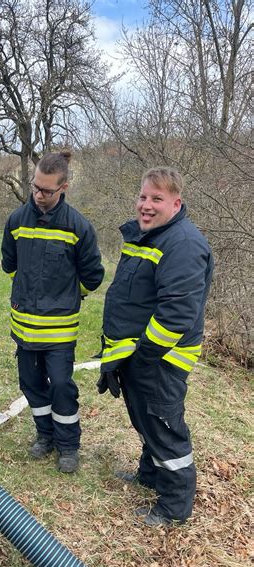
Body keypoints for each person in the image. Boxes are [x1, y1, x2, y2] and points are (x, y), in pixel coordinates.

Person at [98, 167, 214, 526]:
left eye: (157, 199)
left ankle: (175, 507)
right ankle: (150, 475)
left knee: (164, 426)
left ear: (176, 203)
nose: (146, 206)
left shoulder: (183, 244)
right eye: (143, 197)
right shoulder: (149, 237)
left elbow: (177, 314)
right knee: (146, 419)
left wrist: (145, 357)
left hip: (160, 358)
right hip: (141, 356)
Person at [1, 151, 104, 473]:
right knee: (31, 385)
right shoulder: (17, 221)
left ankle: (68, 445)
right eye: (35, 187)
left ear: (64, 188)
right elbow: (9, 264)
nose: (39, 195)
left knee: (60, 385)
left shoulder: (78, 227)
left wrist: (70, 296)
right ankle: (44, 437)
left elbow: (93, 277)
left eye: (47, 190)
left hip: (59, 331)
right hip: (24, 328)